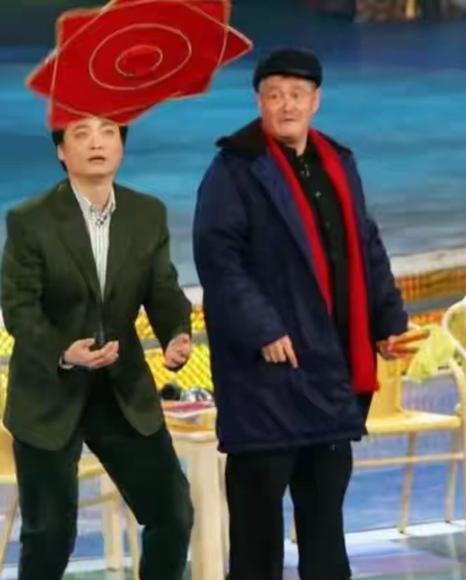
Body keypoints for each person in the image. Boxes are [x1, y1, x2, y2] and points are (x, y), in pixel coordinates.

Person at [193, 47, 408, 579]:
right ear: (258, 102)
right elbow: (219, 259)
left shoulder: (339, 161)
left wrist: (388, 321)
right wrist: (263, 327)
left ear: (316, 101)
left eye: (296, 94)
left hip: (330, 370)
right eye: (274, 95)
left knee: (325, 518)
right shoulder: (234, 168)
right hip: (267, 374)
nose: (286, 105)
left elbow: (366, 243)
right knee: (257, 527)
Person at [1, 115, 195, 579]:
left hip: (121, 391)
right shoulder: (30, 220)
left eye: (108, 132)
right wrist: (65, 351)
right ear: (61, 150)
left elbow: (163, 290)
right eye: (81, 134)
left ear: (121, 146)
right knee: (49, 536)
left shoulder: (146, 214)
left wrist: (175, 333)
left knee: (172, 514)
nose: (96, 143)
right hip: (50, 393)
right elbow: (19, 308)